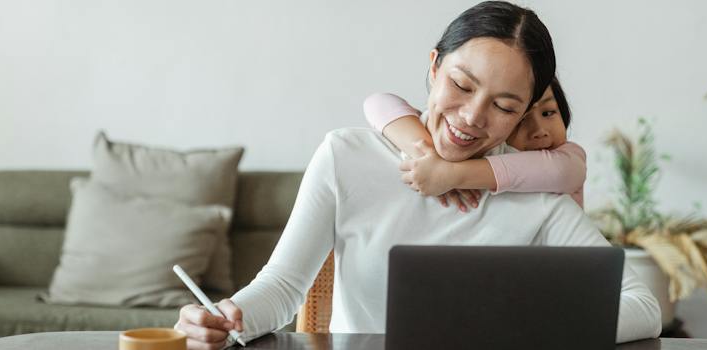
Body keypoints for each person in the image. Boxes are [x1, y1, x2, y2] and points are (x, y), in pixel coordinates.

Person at [175, 2, 662, 349]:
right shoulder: (347, 156)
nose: (472, 117)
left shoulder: (537, 193)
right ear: (433, 67)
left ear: (523, 116)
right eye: (461, 84)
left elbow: (643, 306)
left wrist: (529, 325)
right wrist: (223, 318)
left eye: (504, 105)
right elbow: (282, 288)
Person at [363, 77, 586, 211]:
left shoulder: (568, 157)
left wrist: (451, 174)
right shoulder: (484, 150)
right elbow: (378, 102)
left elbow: (561, 171)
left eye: (549, 113)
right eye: (521, 121)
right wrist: (428, 155)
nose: (540, 131)